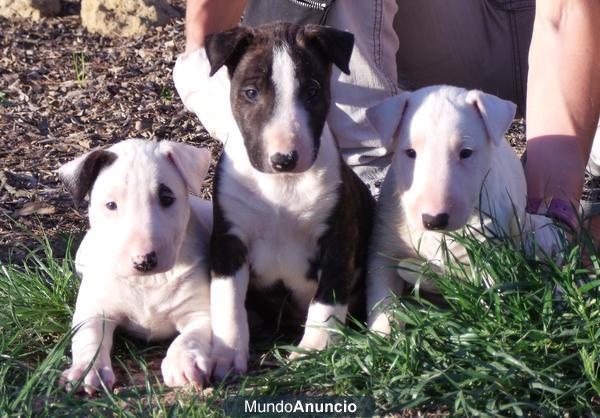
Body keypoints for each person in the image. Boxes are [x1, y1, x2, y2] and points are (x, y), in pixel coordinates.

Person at [175, 0, 600, 242]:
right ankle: (374, 183)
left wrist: (549, 210)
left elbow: (567, 13)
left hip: (571, 34)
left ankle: (589, 177)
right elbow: (207, 34)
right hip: (435, 34)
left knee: (555, 219)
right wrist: (206, 71)